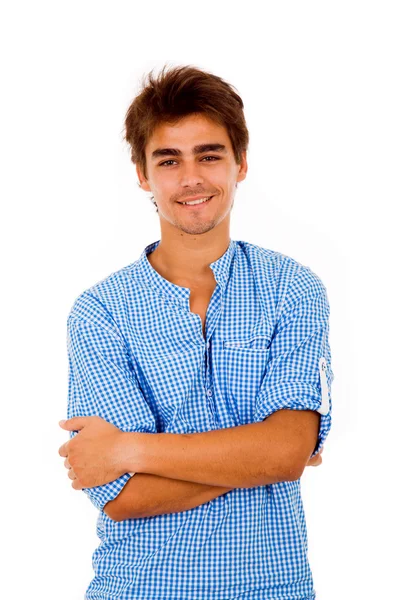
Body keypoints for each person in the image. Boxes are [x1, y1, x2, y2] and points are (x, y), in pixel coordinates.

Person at [58, 64, 333, 600]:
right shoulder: (99, 312)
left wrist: (129, 448)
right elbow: (122, 495)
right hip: (137, 589)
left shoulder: (292, 290)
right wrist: (263, 456)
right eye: (168, 160)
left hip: (273, 588)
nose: (191, 179)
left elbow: (284, 452)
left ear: (241, 164)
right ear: (142, 174)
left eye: (209, 155)